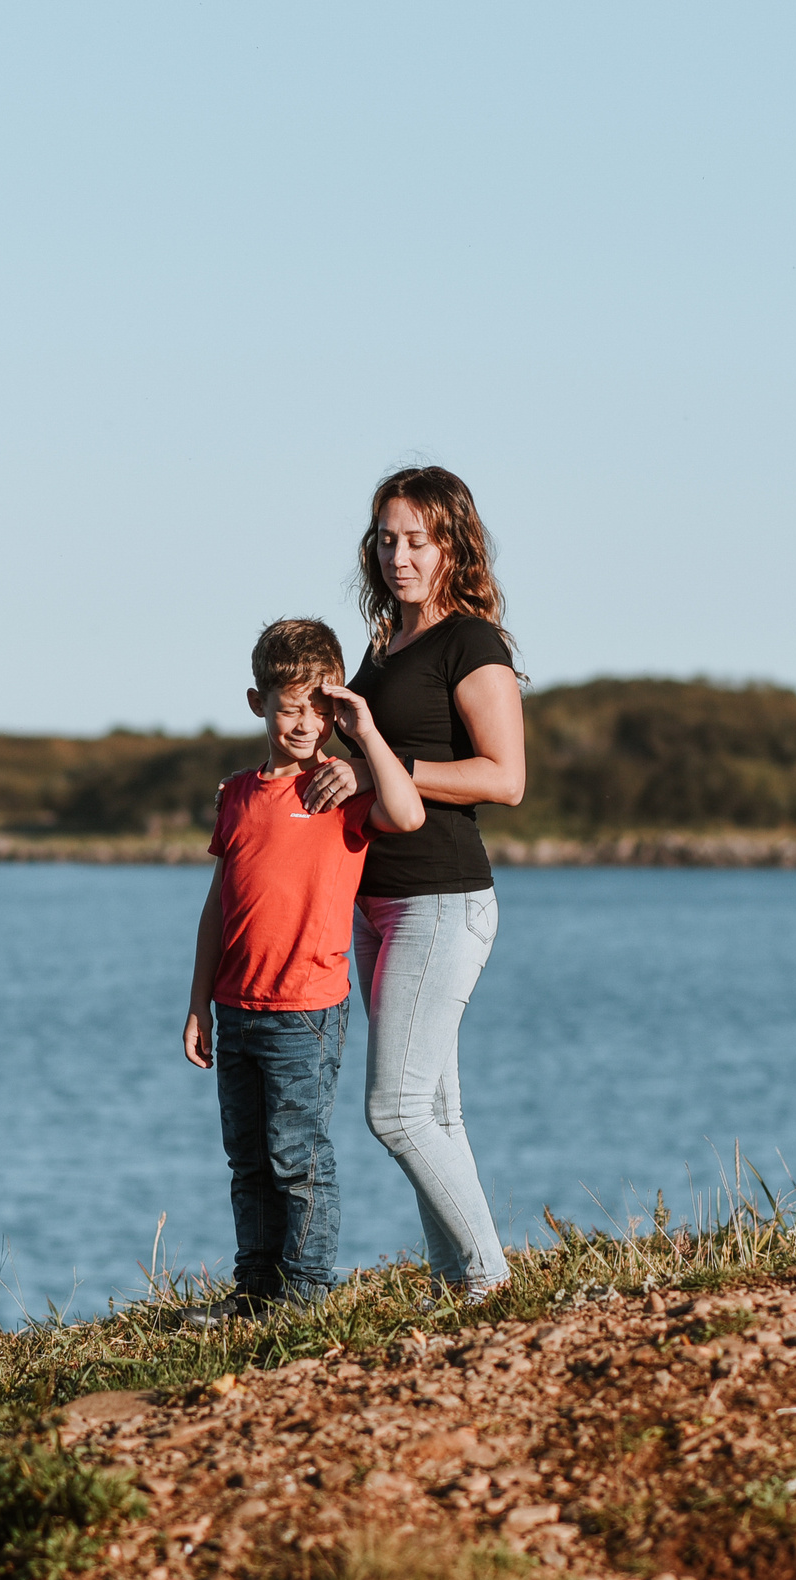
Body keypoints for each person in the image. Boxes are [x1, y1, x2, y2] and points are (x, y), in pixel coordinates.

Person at [299, 467, 528, 1303]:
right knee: (435, 1110)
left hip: (442, 896)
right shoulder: (383, 644)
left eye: (418, 540)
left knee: (394, 1112)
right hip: (380, 901)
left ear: (452, 544)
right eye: (387, 539)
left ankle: (492, 1281)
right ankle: (459, 1285)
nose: (400, 556)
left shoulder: (471, 642)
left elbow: (506, 779)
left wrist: (384, 766)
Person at [179, 618, 425, 1324]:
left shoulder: (340, 787)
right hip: (236, 1006)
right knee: (248, 1159)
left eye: (320, 706)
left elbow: (407, 813)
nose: (305, 722)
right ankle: (254, 1290)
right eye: (290, 706)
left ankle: (307, 1294)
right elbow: (216, 908)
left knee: (298, 1157)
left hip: (306, 1012)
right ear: (258, 703)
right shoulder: (237, 794)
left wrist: (366, 737)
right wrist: (198, 1002)